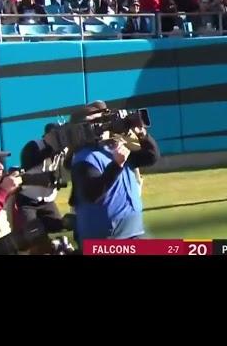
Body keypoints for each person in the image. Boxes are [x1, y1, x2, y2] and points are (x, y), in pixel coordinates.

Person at [69, 101, 160, 244]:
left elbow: (151, 157)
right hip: (106, 237)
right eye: (102, 121)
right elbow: (93, 194)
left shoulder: (117, 145)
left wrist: (142, 135)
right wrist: (117, 165)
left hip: (133, 231)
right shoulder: (85, 158)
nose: (108, 124)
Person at [14, 123, 68, 234]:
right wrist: (52, 148)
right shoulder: (33, 146)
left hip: (48, 201)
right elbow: (30, 163)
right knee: (31, 235)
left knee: (58, 229)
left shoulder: (63, 151)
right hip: (28, 200)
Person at [0, 144, 22, 246]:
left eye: (1, 162)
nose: (1, 167)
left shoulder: (7, 194)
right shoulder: (2, 193)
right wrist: (2, 192)